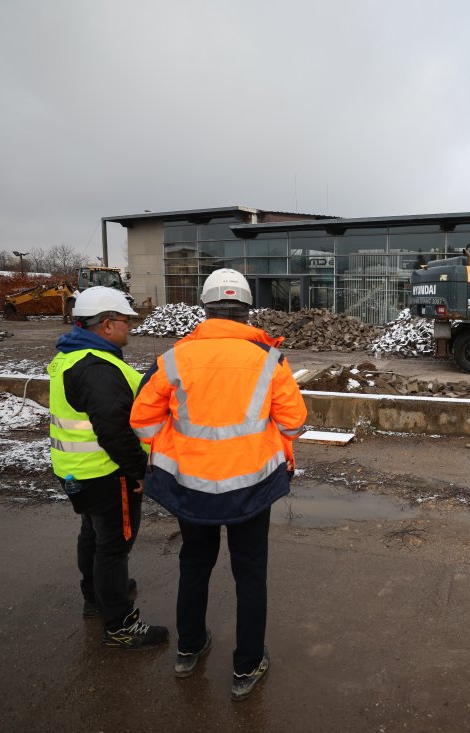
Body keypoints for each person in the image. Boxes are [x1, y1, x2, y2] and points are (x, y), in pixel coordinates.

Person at [130, 268, 307, 701]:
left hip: (191, 489)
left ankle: (188, 649)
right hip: (251, 489)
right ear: (247, 311)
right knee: (250, 574)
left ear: (205, 308)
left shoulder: (173, 360)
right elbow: (294, 421)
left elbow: (143, 421)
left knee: (194, 564)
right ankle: (246, 667)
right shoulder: (269, 360)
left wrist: (178, 452)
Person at [47, 286, 168, 650]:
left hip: (77, 469)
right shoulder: (96, 367)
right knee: (114, 547)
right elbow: (114, 431)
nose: (130, 327)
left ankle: (95, 598)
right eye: (126, 320)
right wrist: (139, 472)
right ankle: (119, 624)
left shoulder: (72, 356)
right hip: (106, 471)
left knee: (94, 535)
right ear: (107, 324)